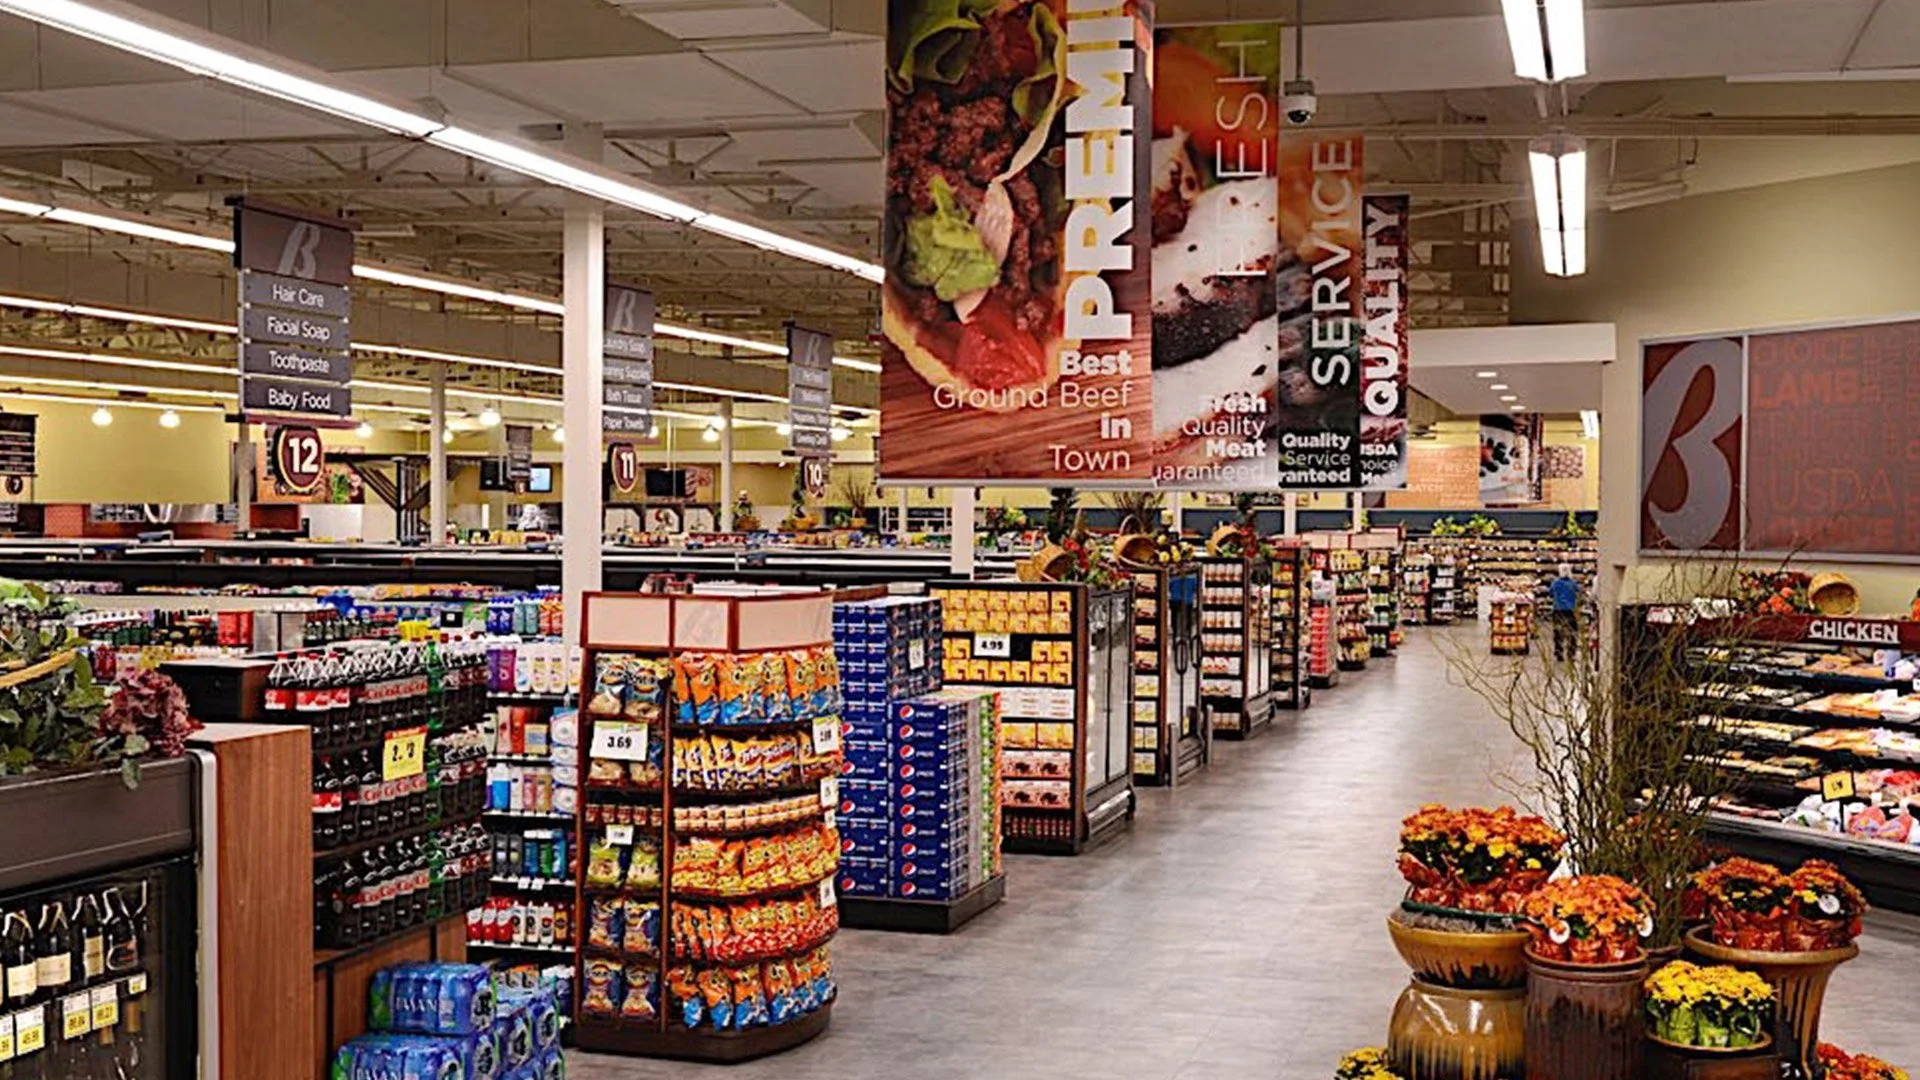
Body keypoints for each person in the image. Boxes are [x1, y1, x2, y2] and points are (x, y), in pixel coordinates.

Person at [1549, 563, 1580, 662]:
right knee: (1572, 632)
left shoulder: (1555, 583)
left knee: (1558, 632)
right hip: (1570, 611)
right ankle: (1571, 652)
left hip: (1558, 610)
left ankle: (1559, 652)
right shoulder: (1573, 583)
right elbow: (1578, 594)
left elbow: (1551, 594)